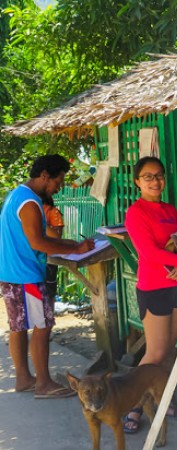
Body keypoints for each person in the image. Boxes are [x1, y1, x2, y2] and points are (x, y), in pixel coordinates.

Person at [0, 154, 95, 399]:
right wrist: (74, 248)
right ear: (44, 176)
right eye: (58, 180)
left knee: (18, 327)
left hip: (11, 272)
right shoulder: (30, 203)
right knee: (42, 326)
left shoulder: (16, 195)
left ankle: (23, 378)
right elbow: (37, 241)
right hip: (26, 274)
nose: (59, 186)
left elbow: (37, 237)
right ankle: (43, 383)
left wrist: (68, 243)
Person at [123, 156, 177, 432]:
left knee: (172, 349)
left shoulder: (169, 209)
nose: (155, 181)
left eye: (159, 175)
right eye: (148, 176)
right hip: (154, 287)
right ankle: (133, 406)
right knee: (155, 352)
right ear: (137, 181)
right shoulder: (136, 212)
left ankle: (162, 399)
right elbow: (149, 252)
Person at [42, 195, 64, 301]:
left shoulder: (52, 212)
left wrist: (38, 222)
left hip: (49, 258)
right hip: (33, 257)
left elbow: (56, 236)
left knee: (48, 292)